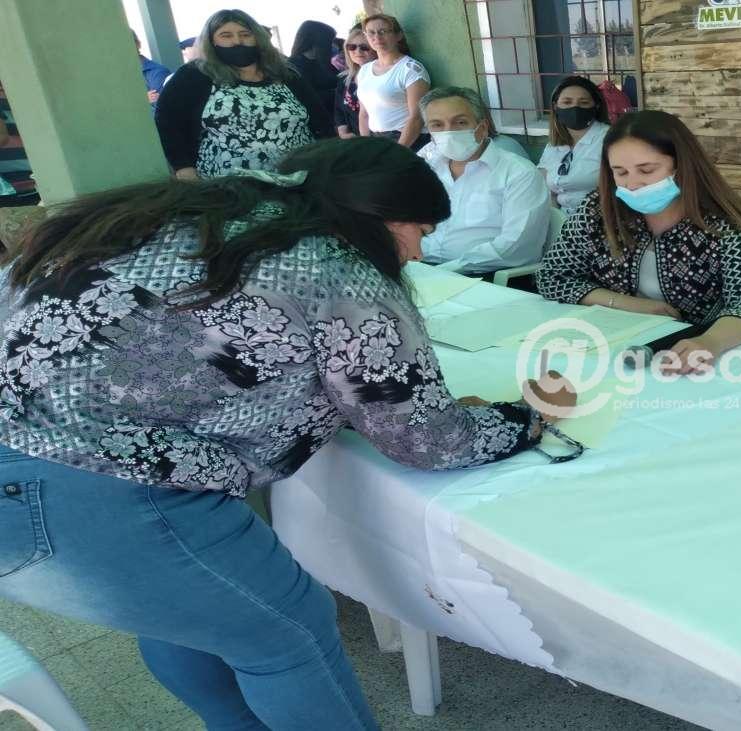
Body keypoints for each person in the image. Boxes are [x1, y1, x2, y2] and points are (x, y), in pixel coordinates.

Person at [0, 137, 575, 729]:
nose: (417, 252)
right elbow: (425, 439)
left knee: (193, 619)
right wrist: (525, 417)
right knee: (288, 632)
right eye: (420, 231)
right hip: (90, 485)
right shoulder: (335, 266)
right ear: (381, 217)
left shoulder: (199, 216)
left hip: (32, 469)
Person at [537, 109, 741, 374]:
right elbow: (553, 275)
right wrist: (627, 304)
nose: (633, 184)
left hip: (694, 350)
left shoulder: (724, 223)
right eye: (620, 172)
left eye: (647, 170)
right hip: (610, 344)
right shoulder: (599, 210)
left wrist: (710, 341)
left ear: (681, 165)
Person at [155, 9, 331, 179]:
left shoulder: (285, 74)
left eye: (245, 34)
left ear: (257, 38)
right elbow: (168, 120)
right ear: (211, 41)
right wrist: (183, 167)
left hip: (299, 179)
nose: (237, 41)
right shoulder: (194, 75)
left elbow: (319, 118)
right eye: (226, 36)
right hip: (228, 187)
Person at [416, 86, 549, 274]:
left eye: (460, 122)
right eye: (437, 125)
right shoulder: (425, 168)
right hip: (419, 268)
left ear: (483, 127)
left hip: (483, 275)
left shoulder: (519, 173)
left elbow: (517, 247)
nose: (449, 132)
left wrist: (447, 271)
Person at [538, 75, 611, 213]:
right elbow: (545, 188)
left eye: (584, 102)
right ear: (555, 107)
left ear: (596, 106)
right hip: (561, 218)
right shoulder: (553, 145)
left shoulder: (609, 139)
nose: (575, 108)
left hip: (599, 218)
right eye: (567, 102)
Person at [356, 14, 430, 149]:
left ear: (398, 35)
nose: (377, 37)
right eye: (371, 32)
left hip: (407, 140)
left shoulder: (410, 69)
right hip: (376, 140)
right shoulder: (364, 70)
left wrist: (398, 152)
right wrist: (365, 147)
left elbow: (417, 117)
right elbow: (364, 114)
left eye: (383, 31)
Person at [287, 20, 340, 131]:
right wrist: (340, 92)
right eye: (330, 41)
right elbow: (310, 98)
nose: (333, 46)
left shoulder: (323, 62)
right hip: (320, 126)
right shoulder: (294, 67)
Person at [334, 24, 375, 138]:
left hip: (383, 137)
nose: (357, 51)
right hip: (357, 139)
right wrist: (343, 133)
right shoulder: (344, 79)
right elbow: (339, 110)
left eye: (364, 47)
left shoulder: (383, 75)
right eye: (352, 47)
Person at [133, 31, 171, 112]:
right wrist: (142, 99)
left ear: (138, 44)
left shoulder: (158, 72)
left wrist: (138, 101)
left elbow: (160, 110)